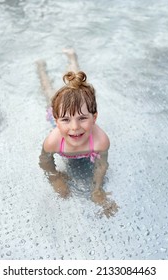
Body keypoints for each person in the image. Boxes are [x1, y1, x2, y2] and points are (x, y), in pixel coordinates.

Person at [37, 49, 118, 217]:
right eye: (66, 120)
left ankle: (72, 56)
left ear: (94, 117)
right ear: (57, 119)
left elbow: (102, 165)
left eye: (82, 118)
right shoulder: (53, 140)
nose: (74, 127)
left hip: (70, 110)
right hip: (58, 112)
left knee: (75, 80)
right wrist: (55, 177)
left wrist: (97, 190)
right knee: (48, 91)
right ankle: (41, 68)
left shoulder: (101, 141)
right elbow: (45, 160)